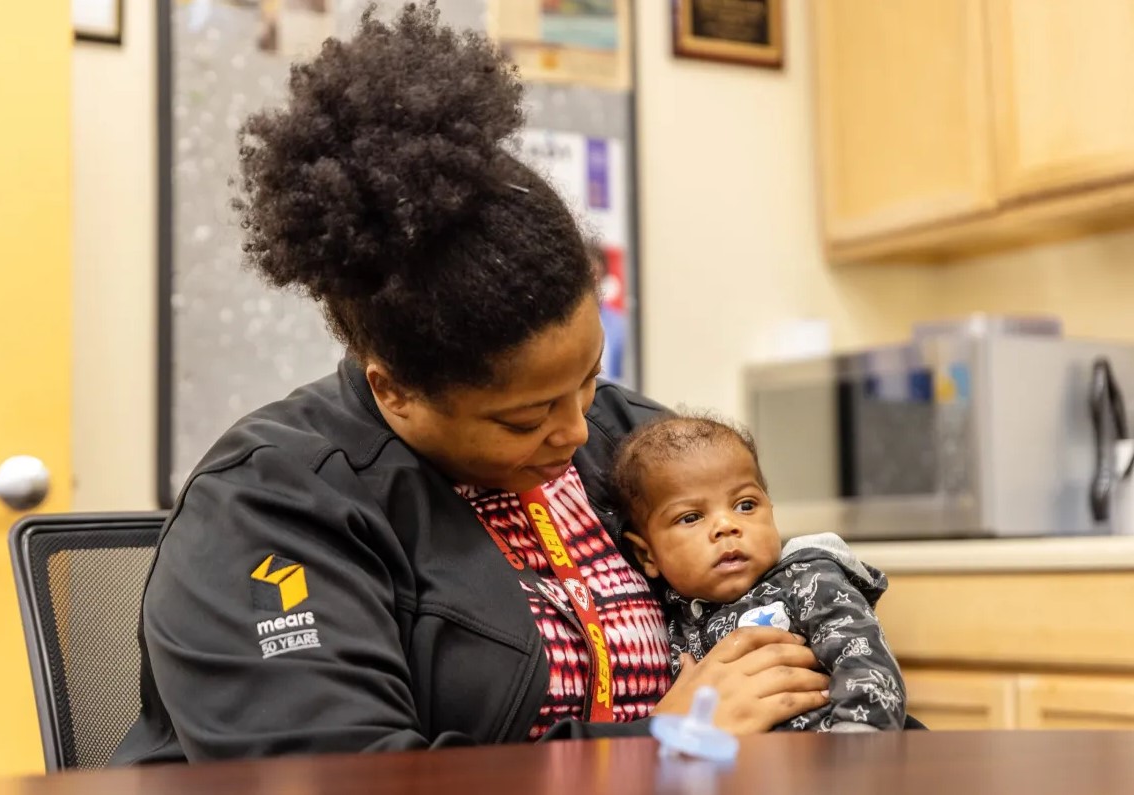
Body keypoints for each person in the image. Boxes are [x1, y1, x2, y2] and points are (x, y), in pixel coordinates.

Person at [111, 3, 831, 764]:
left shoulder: (632, 446)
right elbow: (340, 775)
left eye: (588, 378)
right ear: (395, 391)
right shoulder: (270, 504)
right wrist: (655, 745)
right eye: (524, 419)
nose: (576, 431)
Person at [611, 414, 907, 732]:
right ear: (647, 555)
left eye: (746, 505)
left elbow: (866, 663)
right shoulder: (663, 620)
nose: (727, 525)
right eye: (691, 517)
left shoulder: (810, 580)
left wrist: (858, 742)